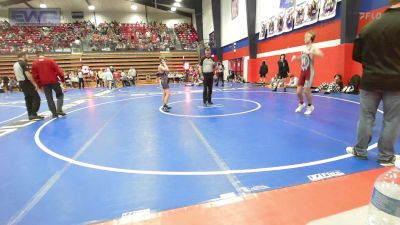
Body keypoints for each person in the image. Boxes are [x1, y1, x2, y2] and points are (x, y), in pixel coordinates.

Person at [346, 0, 400, 166]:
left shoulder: (369, 26)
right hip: (395, 81)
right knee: (391, 119)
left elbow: (356, 55)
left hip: (370, 79)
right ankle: (385, 157)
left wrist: (373, 64)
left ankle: (360, 150)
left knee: (366, 117)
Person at [291, 31, 324, 115]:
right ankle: (301, 104)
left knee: (306, 91)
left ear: (311, 38)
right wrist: (296, 58)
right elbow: (301, 59)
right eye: (304, 36)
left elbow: (321, 55)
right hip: (302, 71)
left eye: (307, 36)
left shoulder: (313, 48)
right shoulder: (303, 49)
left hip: (310, 72)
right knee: (298, 92)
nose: (305, 38)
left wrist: (312, 52)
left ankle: (310, 106)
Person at [31, 51, 66, 118]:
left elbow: (35, 76)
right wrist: (62, 80)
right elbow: (58, 71)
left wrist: (39, 85)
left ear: (37, 56)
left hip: (44, 83)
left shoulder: (34, 63)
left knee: (49, 98)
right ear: (43, 55)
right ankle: (59, 110)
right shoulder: (50, 60)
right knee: (60, 95)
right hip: (54, 81)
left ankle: (54, 114)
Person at [13, 51, 43, 120]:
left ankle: (30, 114)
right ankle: (33, 113)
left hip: (21, 83)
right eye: (27, 56)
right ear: (23, 56)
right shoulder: (24, 63)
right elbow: (28, 75)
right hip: (27, 83)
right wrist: (35, 84)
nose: (28, 57)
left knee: (28, 99)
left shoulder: (15, 64)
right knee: (36, 98)